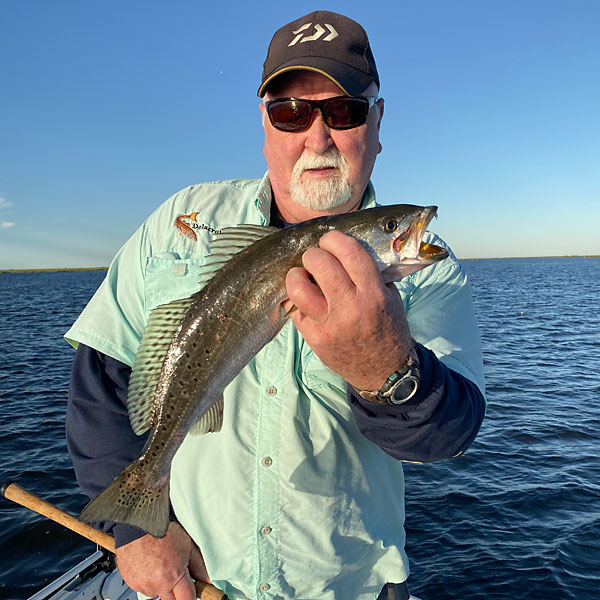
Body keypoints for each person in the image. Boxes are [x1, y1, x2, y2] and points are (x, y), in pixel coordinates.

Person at [65, 10, 485, 600]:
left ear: (377, 122)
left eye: (344, 110)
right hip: (197, 581)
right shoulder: (181, 221)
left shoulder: (430, 275)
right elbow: (100, 383)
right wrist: (135, 530)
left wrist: (386, 370)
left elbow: (448, 435)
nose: (318, 137)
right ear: (264, 123)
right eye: (291, 112)